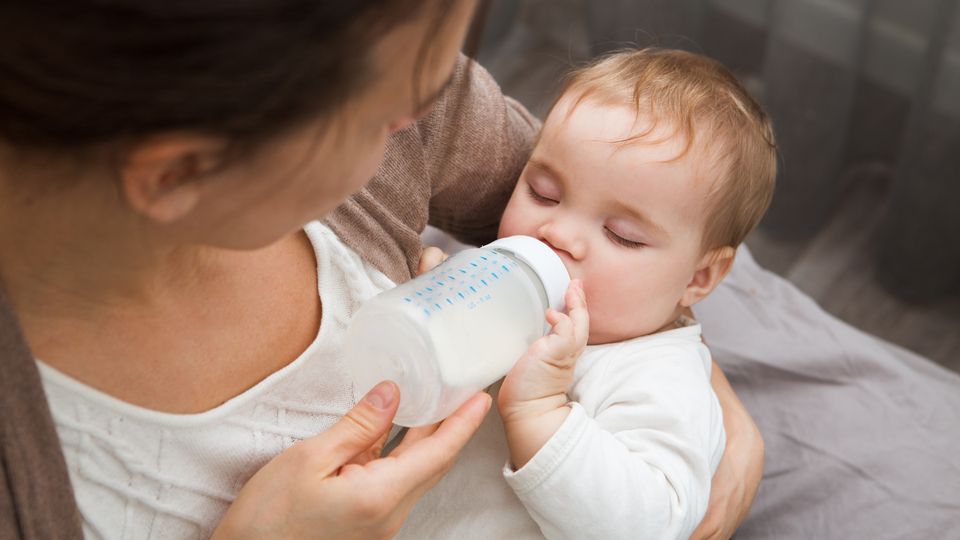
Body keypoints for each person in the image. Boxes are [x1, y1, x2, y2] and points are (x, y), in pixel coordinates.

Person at [0, 1, 763, 539]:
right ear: (178, 175)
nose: (427, 111)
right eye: (386, 114)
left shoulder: (399, 68)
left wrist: (704, 387)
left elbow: (642, 199)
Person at [491, 48, 776, 540]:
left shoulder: (660, 380)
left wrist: (539, 414)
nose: (557, 234)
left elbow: (650, 524)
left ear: (698, 279)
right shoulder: (504, 291)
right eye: (542, 192)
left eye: (622, 234)